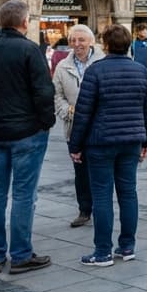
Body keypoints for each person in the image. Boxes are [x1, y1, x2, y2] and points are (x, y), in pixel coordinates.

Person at [0, 0, 55, 275]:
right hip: (27, 132)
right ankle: (20, 255)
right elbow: (44, 91)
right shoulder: (30, 49)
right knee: (23, 194)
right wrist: (45, 122)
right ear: (25, 22)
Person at [68, 24, 147, 266]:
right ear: (128, 45)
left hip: (101, 142)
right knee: (128, 193)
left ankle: (103, 251)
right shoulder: (141, 71)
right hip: (131, 141)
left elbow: (83, 113)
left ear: (105, 45)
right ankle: (127, 246)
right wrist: (146, 140)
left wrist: (75, 145)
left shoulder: (95, 71)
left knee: (102, 195)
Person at [53, 24, 99, 228]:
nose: (77, 44)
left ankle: (101, 208)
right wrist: (67, 111)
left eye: (81, 40)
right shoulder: (63, 66)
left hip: (98, 125)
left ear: (91, 42)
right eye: (73, 40)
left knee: (100, 170)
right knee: (80, 171)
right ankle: (84, 209)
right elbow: (57, 94)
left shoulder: (101, 62)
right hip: (74, 125)